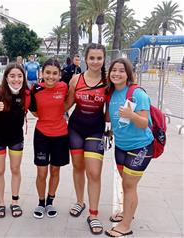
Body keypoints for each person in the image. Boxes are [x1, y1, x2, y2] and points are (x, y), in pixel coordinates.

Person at [104, 58, 154, 237]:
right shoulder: (111, 93)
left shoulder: (136, 93)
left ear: (128, 74)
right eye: (113, 70)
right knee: (126, 186)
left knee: (129, 185)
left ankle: (125, 226)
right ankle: (127, 213)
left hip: (141, 146)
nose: (116, 73)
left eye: (121, 71)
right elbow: (109, 119)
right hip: (121, 147)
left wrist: (131, 115)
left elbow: (144, 124)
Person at [66, 43, 107, 235]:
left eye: (99, 58)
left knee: (94, 173)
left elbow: (109, 112)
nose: (95, 62)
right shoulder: (76, 80)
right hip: (75, 128)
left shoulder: (108, 82)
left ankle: (94, 214)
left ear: (104, 59)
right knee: (78, 167)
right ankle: (79, 201)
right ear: (85, 59)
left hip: (96, 131)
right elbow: (67, 103)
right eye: (92, 58)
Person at [0, 63, 30, 218]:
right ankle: (0, 203)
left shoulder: (26, 93)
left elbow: (38, 109)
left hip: (16, 137)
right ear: (6, 77)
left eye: (19, 76)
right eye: (12, 76)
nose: (16, 79)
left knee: (15, 169)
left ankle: (15, 202)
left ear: (23, 77)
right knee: (0, 170)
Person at [30, 58, 69, 219]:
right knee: (41, 171)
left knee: (55, 170)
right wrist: (47, 119)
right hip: (42, 135)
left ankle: (50, 201)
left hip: (61, 135)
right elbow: (34, 111)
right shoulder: (36, 89)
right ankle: (41, 202)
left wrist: (58, 116)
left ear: (60, 75)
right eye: (47, 73)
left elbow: (68, 103)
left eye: (54, 73)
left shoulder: (64, 87)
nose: (51, 77)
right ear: (42, 73)